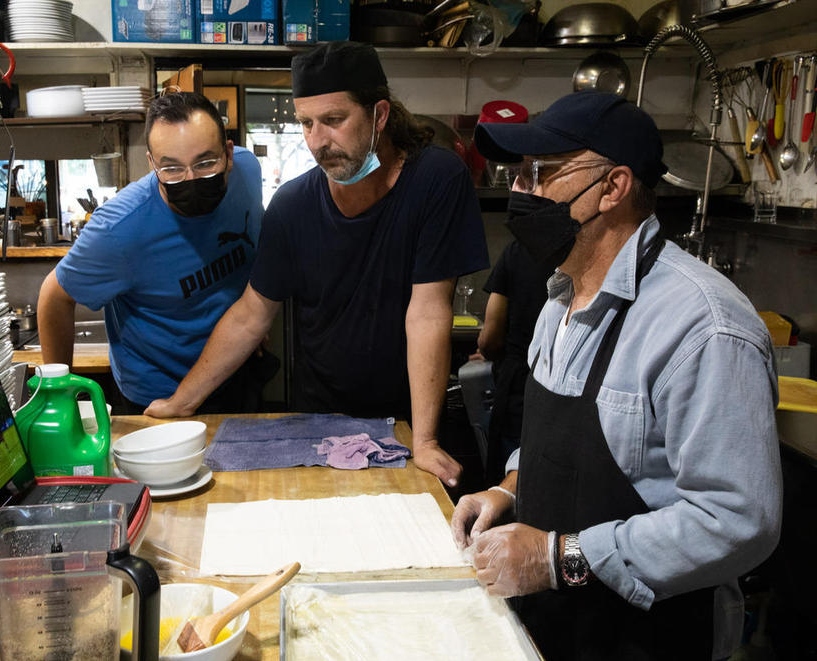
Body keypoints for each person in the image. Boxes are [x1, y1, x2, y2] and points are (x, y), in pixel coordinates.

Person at [450, 91, 781, 660]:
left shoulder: (701, 325)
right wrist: (509, 488)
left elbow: (737, 520)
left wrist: (557, 558)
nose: (521, 191)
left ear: (612, 187)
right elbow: (562, 447)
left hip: (645, 638)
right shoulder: (561, 299)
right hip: (554, 626)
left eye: (540, 173)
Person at [145, 41, 488, 486]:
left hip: (406, 420)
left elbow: (427, 311)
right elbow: (251, 315)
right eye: (306, 123)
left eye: (334, 120)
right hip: (319, 424)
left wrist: (423, 441)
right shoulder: (292, 206)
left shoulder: (436, 181)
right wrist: (181, 402)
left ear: (379, 115)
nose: (318, 141)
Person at [36, 92, 265, 413]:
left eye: (206, 162)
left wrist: (252, 319)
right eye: (172, 168)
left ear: (228, 153)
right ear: (152, 164)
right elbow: (54, 296)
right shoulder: (118, 230)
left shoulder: (247, 172)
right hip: (158, 396)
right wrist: (59, 396)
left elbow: (251, 247)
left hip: (235, 370)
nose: (191, 180)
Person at [469, 239, 549, 483]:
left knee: (508, 481)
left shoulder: (519, 250)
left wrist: (487, 348)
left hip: (519, 386)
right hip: (563, 391)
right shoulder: (586, 251)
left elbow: (491, 338)